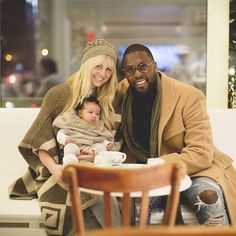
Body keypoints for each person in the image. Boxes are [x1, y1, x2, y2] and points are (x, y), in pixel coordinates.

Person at [114, 43, 236, 226]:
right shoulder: (122, 93)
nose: (137, 74)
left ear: (154, 65)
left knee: (208, 197)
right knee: (133, 205)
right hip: (143, 172)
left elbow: (201, 153)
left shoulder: (188, 96)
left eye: (143, 66)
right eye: (130, 70)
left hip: (191, 170)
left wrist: (159, 165)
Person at [8, 39, 121, 236]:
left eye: (109, 70)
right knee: (95, 194)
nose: (103, 74)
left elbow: (114, 143)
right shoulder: (58, 94)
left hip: (98, 166)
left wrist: (96, 157)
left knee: (101, 191)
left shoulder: (111, 100)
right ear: (87, 64)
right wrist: (56, 170)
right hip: (58, 168)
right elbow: (38, 142)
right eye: (99, 66)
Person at [53, 96, 114, 166]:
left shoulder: (98, 127)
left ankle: (101, 163)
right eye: (90, 112)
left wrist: (108, 144)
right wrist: (65, 139)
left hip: (92, 149)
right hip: (76, 147)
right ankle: (70, 162)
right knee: (69, 146)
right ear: (80, 113)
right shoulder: (73, 123)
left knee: (101, 147)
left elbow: (102, 139)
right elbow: (60, 133)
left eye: (97, 114)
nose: (94, 116)